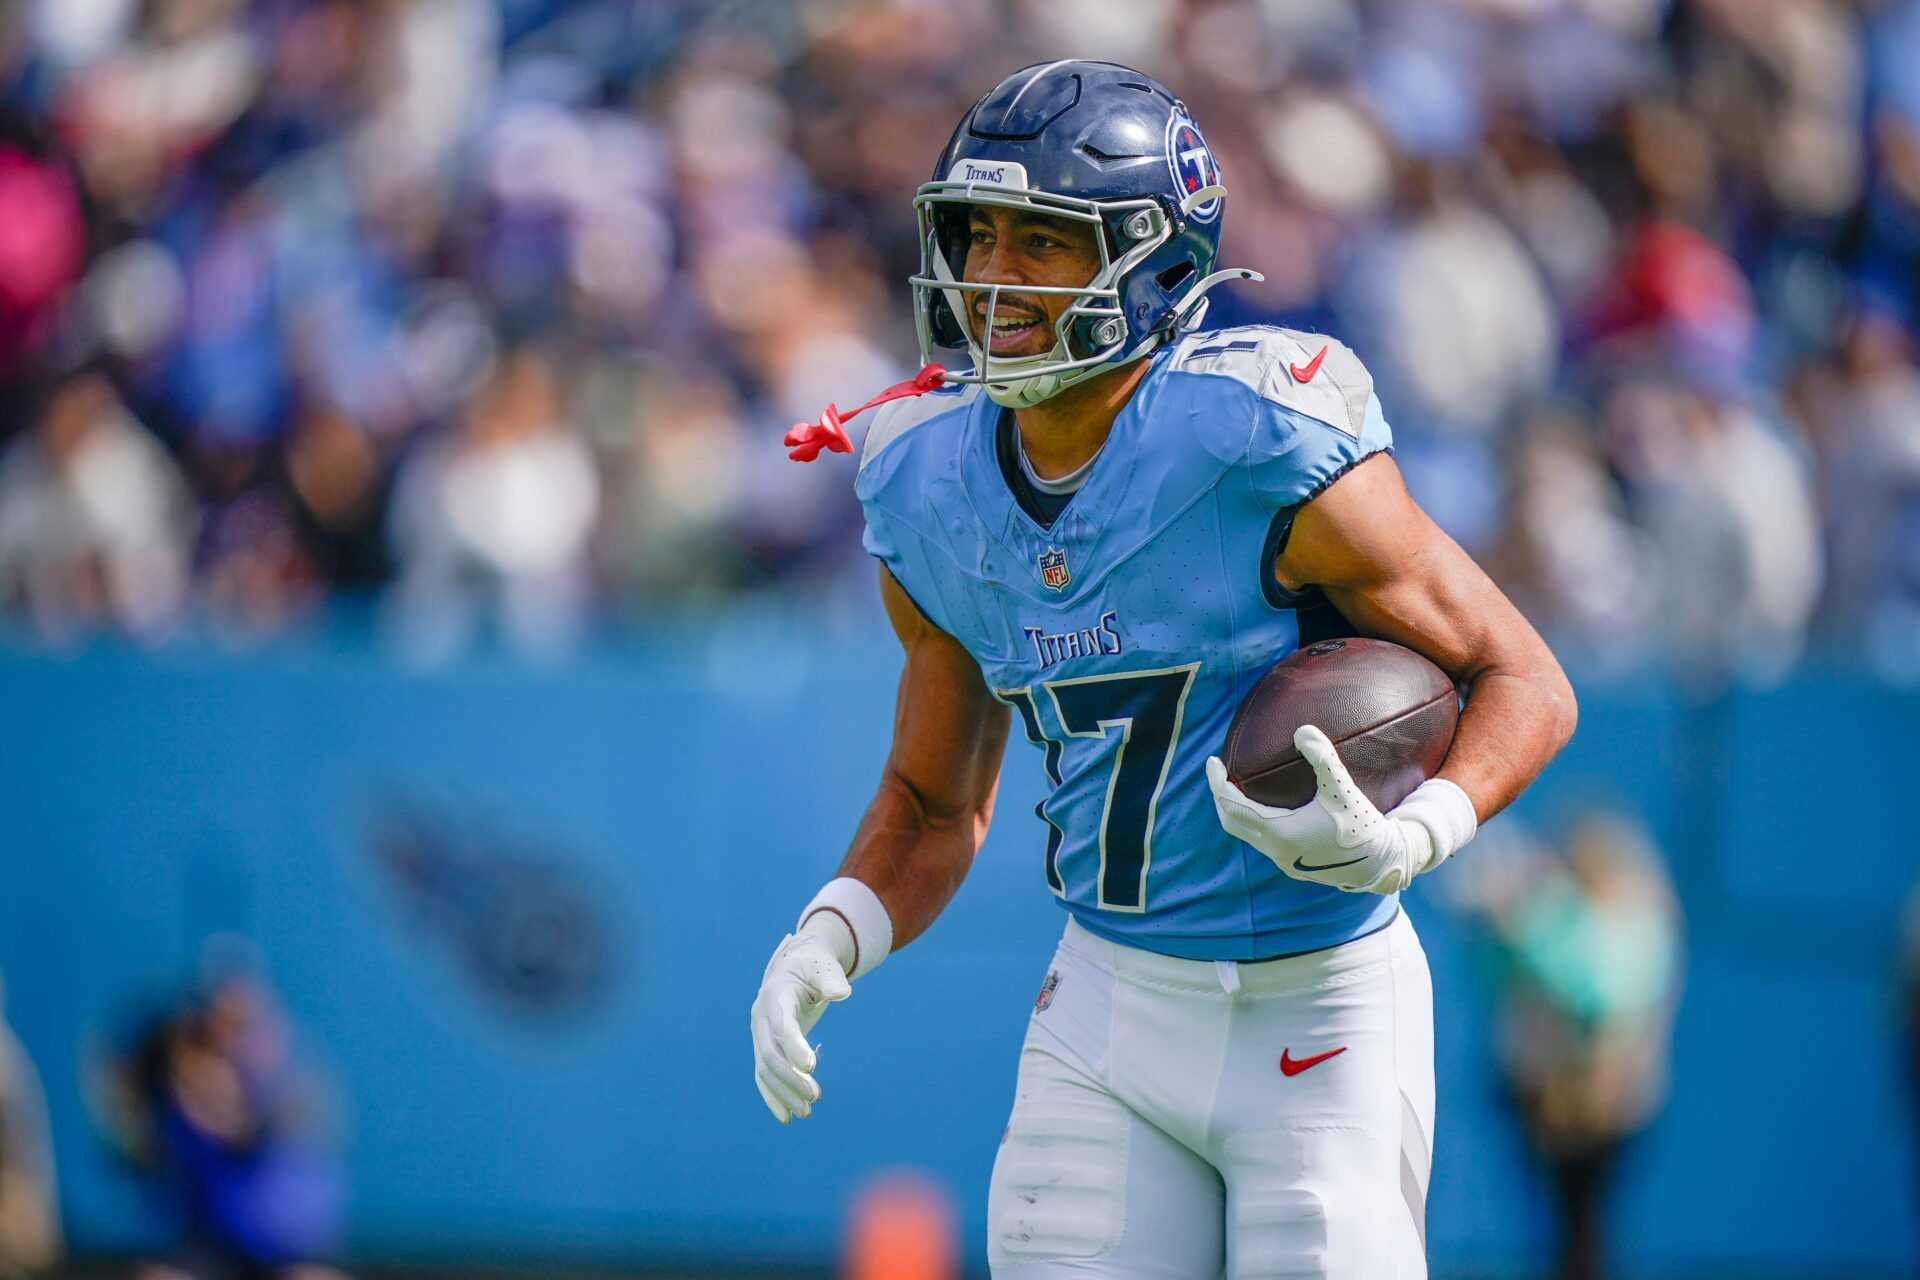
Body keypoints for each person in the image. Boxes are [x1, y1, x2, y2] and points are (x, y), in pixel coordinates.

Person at [751, 61, 1577, 1277]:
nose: (991, 273)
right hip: (1107, 1009)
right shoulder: (926, 481)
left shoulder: (1254, 436)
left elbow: (1525, 680)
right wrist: (832, 929)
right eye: (976, 232)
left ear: (1154, 262)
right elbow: (932, 803)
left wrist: (1415, 835)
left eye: (1040, 240)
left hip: (1323, 1002)